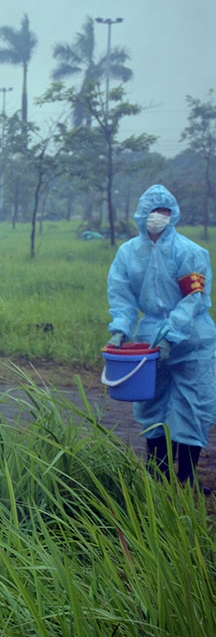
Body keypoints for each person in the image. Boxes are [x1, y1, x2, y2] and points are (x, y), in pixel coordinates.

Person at [106, 184, 216, 491]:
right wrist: (121, 329)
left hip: (193, 338)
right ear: (142, 214)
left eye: (165, 212)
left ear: (174, 215)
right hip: (148, 339)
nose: (159, 217)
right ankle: (159, 473)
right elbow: (121, 295)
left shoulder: (189, 252)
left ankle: (189, 476)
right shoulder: (128, 253)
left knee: (194, 404)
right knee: (151, 403)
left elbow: (193, 299)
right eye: (154, 211)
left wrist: (173, 334)